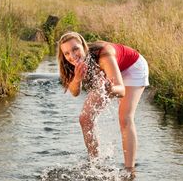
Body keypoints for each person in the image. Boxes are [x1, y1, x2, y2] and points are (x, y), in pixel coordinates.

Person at [57, 31, 149, 172]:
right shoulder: (70, 63)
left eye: (75, 49)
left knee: (125, 118)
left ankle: (130, 171)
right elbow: (75, 92)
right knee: (85, 118)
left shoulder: (104, 56)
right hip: (110, 73)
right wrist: (77, 79)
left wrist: (110, 87)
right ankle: (95, 165)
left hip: (133, 67)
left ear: (84, 46)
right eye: (67, 53)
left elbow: (121, 90)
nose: (72, 55)